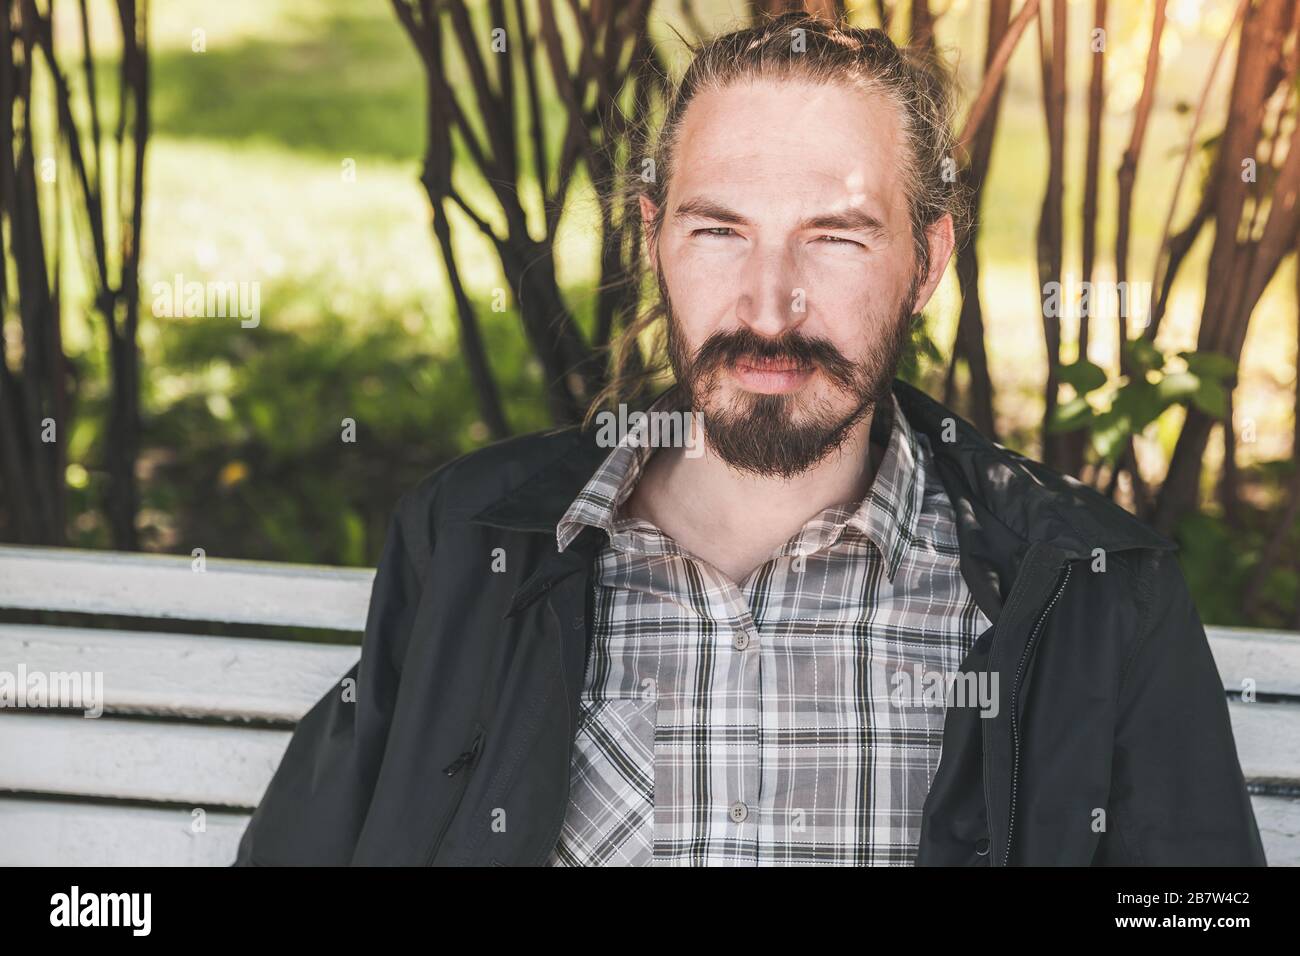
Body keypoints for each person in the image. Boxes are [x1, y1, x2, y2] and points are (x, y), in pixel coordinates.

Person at [234, 14, 1265, 866]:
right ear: (654, 238)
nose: (769, 307)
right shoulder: (471, 544)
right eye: (719, 230)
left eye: (835, 235)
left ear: (927, 256)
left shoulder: (1088, 590)